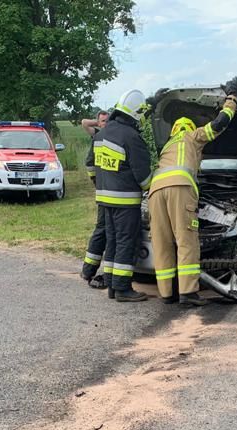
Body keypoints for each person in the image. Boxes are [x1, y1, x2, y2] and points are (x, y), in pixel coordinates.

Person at [148, 77, 237, 306]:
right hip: (180, 188)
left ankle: (167, 293)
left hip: (155, 192)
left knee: (162, 242)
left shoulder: (167, 146)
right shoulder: (193, 136)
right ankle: (188, 293)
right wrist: (232, 97)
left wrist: (151, 104)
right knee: (186, 239)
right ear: (189, 127)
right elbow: (220, 122)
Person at [86, 90, 152, 302]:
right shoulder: (132, 137)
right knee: (126, 242)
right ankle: (123, 288)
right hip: (125, 201)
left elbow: (92, 166)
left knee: (113, 242)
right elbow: (144, 178)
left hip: (105, 200)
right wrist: (153, 187)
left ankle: (112, 285)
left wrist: (99, 185)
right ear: (135, 114)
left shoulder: (102, 134)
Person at [80, 110, 110, 289]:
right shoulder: (98, 135)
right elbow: (84, 122)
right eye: (103, 120)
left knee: (102, 229)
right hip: (107, 190)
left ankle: (88, 269)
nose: (105, 123)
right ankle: (90, 269)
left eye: (108, 120)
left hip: (105, 190)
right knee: (104, 229)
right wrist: (96, 183)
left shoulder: (105, 137)